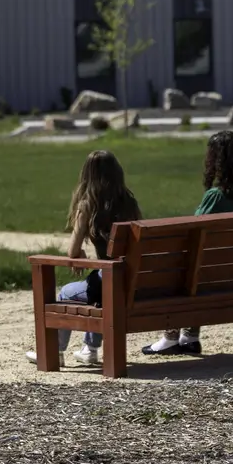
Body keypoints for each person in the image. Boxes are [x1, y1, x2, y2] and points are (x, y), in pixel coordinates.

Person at [26, 150, 141, 368]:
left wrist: (80, 254)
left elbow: (71, 252)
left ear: (87, 176)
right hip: (132, 279)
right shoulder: (129, 202)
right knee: (99, 285)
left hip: (109, 278)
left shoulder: (88, 205)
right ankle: (89, 348)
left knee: (67, 293)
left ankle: (56, 351)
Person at [142, 130, 233, 357]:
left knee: (183, 268)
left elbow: (189, 235)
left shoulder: (216, 197)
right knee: (201, 267)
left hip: (209, 279)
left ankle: (171, 338)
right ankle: (189, 337)